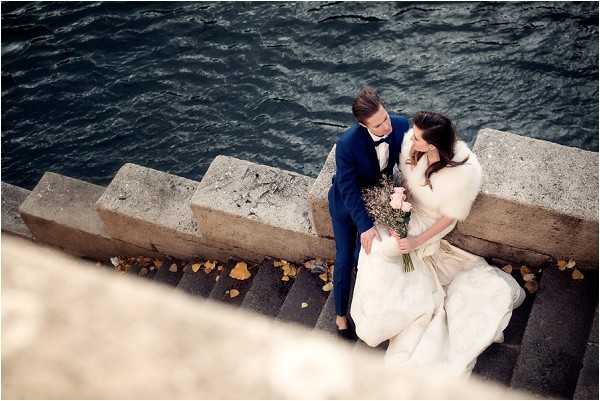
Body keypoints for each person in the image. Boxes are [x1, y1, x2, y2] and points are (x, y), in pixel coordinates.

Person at [349, 111, 526, 376]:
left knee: (390, 250)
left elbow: (449, 217)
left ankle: (404, 309)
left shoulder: (462, 173)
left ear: (433, 144)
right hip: (408, 209)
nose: (410, 138)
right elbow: (409, 180)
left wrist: (417, 240)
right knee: (378, 245)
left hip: (432, 221)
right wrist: (398, 204)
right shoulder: (414, 144)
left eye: (419, 137)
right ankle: (377, 317)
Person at [328, 86, 410, 340]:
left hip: (377, 196)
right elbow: (348, 189)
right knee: (344, 258)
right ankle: (341, 315)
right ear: (363, 126)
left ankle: (369, 311)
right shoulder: (347, 146)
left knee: (364, 256)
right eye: (378, 125)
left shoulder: (400, 125)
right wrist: (364, 226)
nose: (386, 126)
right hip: (346, 203)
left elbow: (406, 163)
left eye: (385, 117)